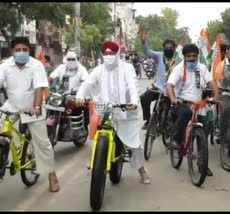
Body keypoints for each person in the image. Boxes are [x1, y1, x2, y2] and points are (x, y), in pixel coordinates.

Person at [75, 41, 151, 184]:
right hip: (105, 107)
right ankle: (97, 160)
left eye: (111, 53)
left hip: (126, 109)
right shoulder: (99, 69)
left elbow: (132, 85)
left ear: (117, 54)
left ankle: (141, 169)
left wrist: (134, 101)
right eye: (106, 53)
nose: (108, 56)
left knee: (135, 144)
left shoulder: (127, 68)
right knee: (95, 132)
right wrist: (79, 96)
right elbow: (88, 84)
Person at [0, 37, 60, 192]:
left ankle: (51, 175)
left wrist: (36, 107)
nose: (21, 53)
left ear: (29, 51)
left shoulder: (36, 65)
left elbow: (39, 88)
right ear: (12, 52)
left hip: (32, 108)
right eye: (17, 50)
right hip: (11, 106)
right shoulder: (5, 66)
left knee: (42, 143)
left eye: (24, 50)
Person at [167, 44, 220, 176]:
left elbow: (211, 82)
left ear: (197, 57)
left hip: (198, 104)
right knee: (185, 113)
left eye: (194, 56)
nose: (191, 59)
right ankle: (176, 140)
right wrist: (173, 98)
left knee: (205, 129)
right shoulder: (179, 69)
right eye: (188, 56)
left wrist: (217, 96)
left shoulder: (202, 68)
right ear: (184, 57)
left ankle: (202, 163)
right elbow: (170, 85)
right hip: (181, 103)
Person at [48, 51, 90, 143]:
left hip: (75, 95)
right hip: (60, 95)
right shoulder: (61, 68)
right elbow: (51, 77)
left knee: (83, 105)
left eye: (73, 59)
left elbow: (86, 81)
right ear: (66, 59)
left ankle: (84, 127)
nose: (71, 61)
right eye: (69, 59)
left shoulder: (81, 69)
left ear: (76, 60)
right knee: (48, 106)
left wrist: (81, 90)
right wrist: (45, 84)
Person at [139, 29, 176, 130]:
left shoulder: (178, 60)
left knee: (170, 111)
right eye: (166, 47)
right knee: (143, 98)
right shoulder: (159, 56)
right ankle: (148, 120)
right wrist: (143, 42)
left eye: (170, 48)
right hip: (158, 88)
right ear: (163, 48)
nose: (168, 49)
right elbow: (147, 51)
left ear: (174, 49)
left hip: (171, 91)